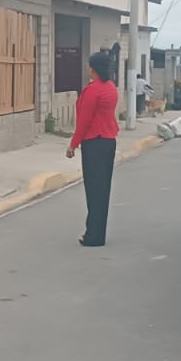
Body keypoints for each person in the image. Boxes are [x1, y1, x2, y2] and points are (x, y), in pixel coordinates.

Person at [66, 52, 119, 247]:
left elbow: (84, 121)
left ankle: (93, 235)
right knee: (103, 189)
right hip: (109, 141)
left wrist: (73, 144)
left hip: (94, 142)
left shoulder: (93, 90)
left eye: (89, 66)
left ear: (94, 68)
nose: (88, 69)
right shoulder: (111, 87)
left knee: (93, 189)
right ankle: (98, 233)